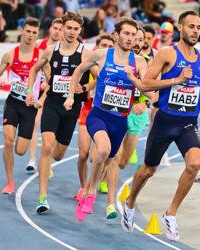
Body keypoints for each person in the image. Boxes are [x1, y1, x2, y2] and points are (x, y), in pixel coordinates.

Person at [120, 10, 200, 241]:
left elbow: (199, 80)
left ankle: (170, 213)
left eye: (198, 27)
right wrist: (175, 80)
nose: (195, 31)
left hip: (188, 123)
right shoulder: (166, 54)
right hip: (165, 121)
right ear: (180, 29)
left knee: (194, 165)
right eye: (191, 26)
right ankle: (130, 202)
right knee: (148, 171)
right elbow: (145, 85)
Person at [64, 17, 151, 221]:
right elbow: (78, 70)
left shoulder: (139, 62)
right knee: (102, 150)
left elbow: (147, 89)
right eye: (127, 34)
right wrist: (70, 95)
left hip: (120, 121)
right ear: (116, 35)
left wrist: (142, 96)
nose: (130, 39)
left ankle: (86, 193)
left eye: (133, 35)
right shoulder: (101, 55)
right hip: (99, 115)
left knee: (110, 159)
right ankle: (91, 192)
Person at [25, 11, 95, 213]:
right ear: (62, 28)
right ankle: (42, 197)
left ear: (80, 30)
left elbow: (98, 78)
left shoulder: (85, 53)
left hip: (72, 108)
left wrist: (86, 88)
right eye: (69, 28)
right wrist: (30, 90)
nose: (72, 32)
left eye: (76, 29)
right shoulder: (49, 50)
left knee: (58, 154)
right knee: (46, 146)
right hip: (53, 103)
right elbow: (33, 70)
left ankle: (48, 164)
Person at [102, 26, 155, 220]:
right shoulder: (117, 59)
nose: (136, 42)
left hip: (138, 113)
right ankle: (108, 201)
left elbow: (155, 91)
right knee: (114, 156)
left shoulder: (146, 63)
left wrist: (146, 103)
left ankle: (105, 172)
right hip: (119, 110)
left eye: (140, 39)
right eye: (134, 38)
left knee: (123, 162)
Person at [0, 17, 41, 194]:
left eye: (34, 32)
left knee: (20, 150)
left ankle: (21, 158)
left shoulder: (41, 56)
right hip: (13, 103)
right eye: (28, 31)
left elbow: (49, 81)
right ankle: (10, 182)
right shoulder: (10, 54)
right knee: (7, 141)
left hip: (29, 108)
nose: (30, 35)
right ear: (22, 30)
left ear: (37, 34)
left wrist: (41, 96)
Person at [74, 34, 115, 203]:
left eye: (108, 45)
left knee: (96, 156)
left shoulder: (114, 65)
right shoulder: (90, 61)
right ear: (97, 46)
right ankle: (83, 187)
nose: (105, 47)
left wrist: (85, 87)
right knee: (83, 155)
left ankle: (99, 180)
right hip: (87, 111)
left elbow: (101, 80)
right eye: (102, 44)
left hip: (104, 113)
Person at [24, 18, 64, 173]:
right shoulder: (39, 43)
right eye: (55, 28)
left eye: (60, 29)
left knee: (52, 129)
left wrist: (48, 80)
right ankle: (33, 160)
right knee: (34, 122)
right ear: (50, 29)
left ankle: (47, 158)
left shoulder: (64, 48)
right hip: (37, 90)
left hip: (54, 91)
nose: (57, 31)